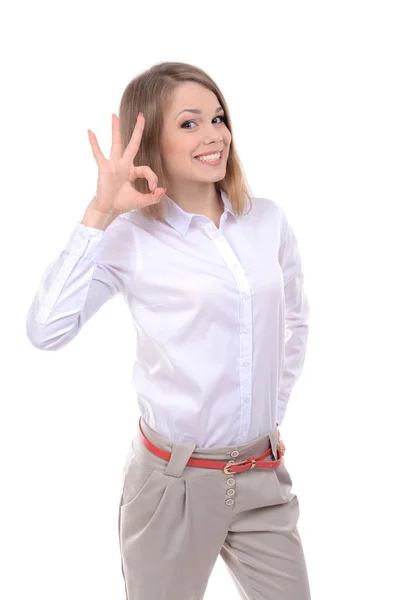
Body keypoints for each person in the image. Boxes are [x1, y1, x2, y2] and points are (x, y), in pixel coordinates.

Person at [26, 61, 311, 600]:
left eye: (218, 118)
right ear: (149, 138)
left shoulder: (266, 220)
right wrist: (99, 213)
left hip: (261, 476)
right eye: (189, 123)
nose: (214, 135)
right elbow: (46, 330)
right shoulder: (130, 237)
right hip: (172, 487)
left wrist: (270, 416)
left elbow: (294, 321)